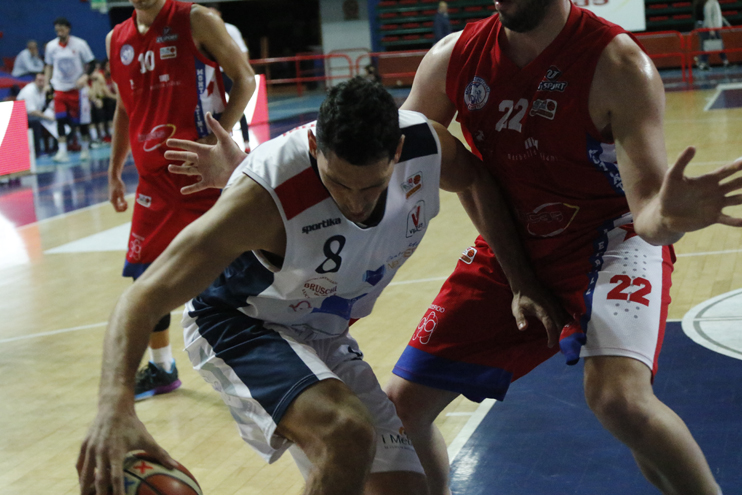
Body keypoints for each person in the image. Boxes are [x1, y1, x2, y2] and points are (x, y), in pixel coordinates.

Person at [76, 77, 526, 495]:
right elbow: (142, 297)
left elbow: (476, 180)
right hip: (241, 323)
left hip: (323, 327)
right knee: (345, 433)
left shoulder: (427, 145)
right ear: (314, 148)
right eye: (338, 183)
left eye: (372, 186)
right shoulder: (260, 198)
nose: (355, 202)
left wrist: (521, 281)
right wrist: (115, 406)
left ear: (399, 151)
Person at [384, 1, 742, 495]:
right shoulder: (453, 57)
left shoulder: (618, 64)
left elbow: (646, 216)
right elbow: (398, 154)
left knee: (620, 401)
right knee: (400, 407)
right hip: (510, 243)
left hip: (611, 238)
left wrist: (670, 218)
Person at [106, 0, 256, 402]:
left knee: (235, 273)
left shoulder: (197, 19)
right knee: (146, 277)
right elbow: (123, 108)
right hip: (153, 182)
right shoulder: (115, 39)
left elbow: (245, 79)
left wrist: (220, 136)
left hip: (203, 173)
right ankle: (162, 368)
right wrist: (115, 169)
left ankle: (259, 361)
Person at [44, 17, 96, 163]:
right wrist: (47, 83)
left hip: (77, 88)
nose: (59, 32)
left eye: (62, 29)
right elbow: (48, 65)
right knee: (60, 119)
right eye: (57, 30)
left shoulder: (80, 44)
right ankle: (62, 151)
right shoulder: (51, 46)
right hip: (60, 87)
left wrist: (85, 77)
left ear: (68, 29)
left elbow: (92, 63)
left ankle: (85, 149)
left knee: (83, 122)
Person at [209, 3, 251, 152]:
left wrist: (244, 71)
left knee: (237, 105)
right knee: (212, 109)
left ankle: (246, 141)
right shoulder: (205, 29)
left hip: (228, 74)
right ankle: (217, 143)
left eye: (213, 13)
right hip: (212, 75)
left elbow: (243, 50)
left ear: (219, 14)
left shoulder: (230, 29)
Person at [17, 72, 56, 156]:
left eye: (43, 80)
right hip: (20, 118)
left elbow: (49, 105)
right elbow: (31, 111)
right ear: (34, 80)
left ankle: (56, 148)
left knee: (60, 119)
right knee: (36, 122)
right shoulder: (29, 91)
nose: (41, 82)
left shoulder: (45, 90)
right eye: (39, 80)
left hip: (37, 115)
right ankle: (36, 152)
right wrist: (48, 117)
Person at [698, 0, 730, 70]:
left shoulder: (715, 3)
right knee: (709, 47)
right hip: (711, 29)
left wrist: (727, 24)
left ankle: (725, 62)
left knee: (716, 46)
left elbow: (719, 16)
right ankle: (725, 62)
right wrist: (711, 30)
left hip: (715, 28)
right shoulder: (709, 4)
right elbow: (708, 17)